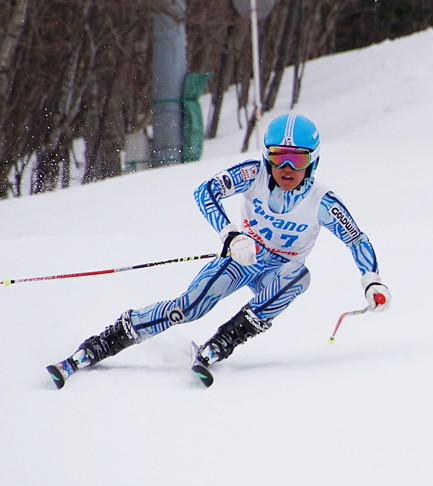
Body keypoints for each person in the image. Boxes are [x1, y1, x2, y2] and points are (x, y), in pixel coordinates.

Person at [47, 113, 391, 388]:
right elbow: (205, 191)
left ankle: (225, 340)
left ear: (312, 162)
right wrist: (230, 236)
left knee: (299, 276)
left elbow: (355, 239)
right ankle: (109, 340)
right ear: (266, 157)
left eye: (297, 161)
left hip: (279, 271)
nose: (286, 169)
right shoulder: (253, 174)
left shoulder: (322, 201)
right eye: (278, 158)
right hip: (243, 256)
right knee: (189, 307)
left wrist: (371, 280)